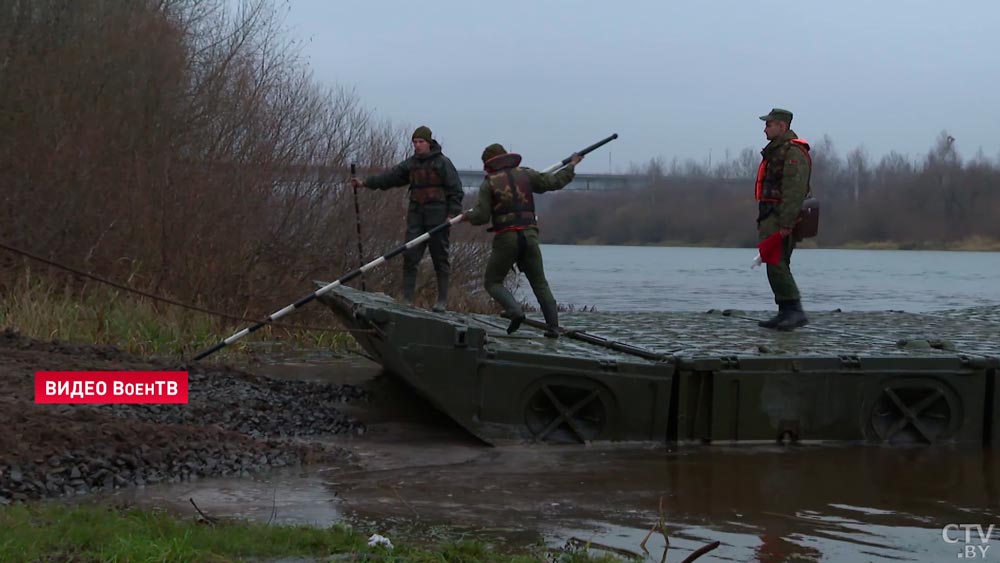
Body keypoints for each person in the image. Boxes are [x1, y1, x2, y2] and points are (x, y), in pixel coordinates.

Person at [465, 143, 582, 338]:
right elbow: (553, 182)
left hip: (506, 238)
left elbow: (482, 216)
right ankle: (553, 327)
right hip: (530, 236)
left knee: (492, 282)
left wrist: (467, 216)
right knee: (539, 283)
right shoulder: (526, 175)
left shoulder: (489, 183)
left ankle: (515, 311)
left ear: (489, 163)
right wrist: (571, 166)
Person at [351, 126, 464, 311]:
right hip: (416, 215)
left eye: (421, 142)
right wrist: (365, 183)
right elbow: (390, 178)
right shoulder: (411, 164)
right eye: (415, 142)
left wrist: (452, 214)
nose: (417, 146)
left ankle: (442, 301)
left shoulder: (443, 163)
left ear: (429, 143)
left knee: (440, 257)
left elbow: (455, 190)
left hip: (438, 217)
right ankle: (407, 299)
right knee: (410, 254)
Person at [755, 108, 811, 330]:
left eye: (769, 124)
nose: (765, 128)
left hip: (781, 217)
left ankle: (795, 311)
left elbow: (794, 190)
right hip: (770, 215)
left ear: (782, 126)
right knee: (774, 262)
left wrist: (787, 223)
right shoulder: (777, 151)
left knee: (777, 263)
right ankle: (785, 311)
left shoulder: (793, 152)